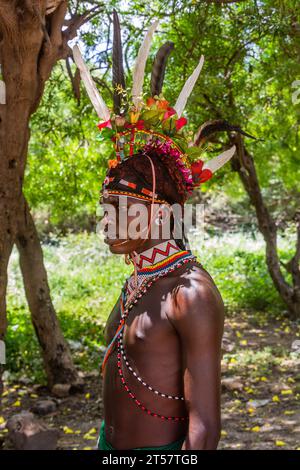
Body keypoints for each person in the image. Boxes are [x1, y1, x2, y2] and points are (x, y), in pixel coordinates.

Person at [73, 9, 257, 450]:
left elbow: (205, 430)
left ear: (159, 214)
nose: (106, 221)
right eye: (105, 209)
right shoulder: (138, 282)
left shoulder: (190, 294)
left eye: (120, 208)